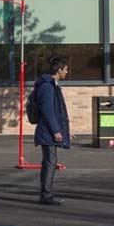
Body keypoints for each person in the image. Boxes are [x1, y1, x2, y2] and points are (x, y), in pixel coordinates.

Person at [34, 55, 71, 206]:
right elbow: (48, 111)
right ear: (59, 70)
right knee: (50, 162)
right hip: (47, 131)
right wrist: (56, 131)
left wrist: (65, 131)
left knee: (50, 161)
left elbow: (57, 112)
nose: (67, 72)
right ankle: (46, 195)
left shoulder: (52, 85)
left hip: (49, 130)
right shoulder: (47, 87)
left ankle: (46, 194)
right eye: (65, 69)